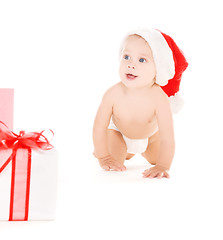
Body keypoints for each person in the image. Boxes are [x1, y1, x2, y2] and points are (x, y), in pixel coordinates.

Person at [93, 29, 188, 178]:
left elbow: (167, 136)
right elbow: (99, 127)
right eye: (126, 56)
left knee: (156, 159)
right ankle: (123, 150)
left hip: (150, 137)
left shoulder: (159, 98)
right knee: (112, 159)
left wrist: (163, 165)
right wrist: (103, 155)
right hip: (119, 134)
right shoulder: (112, 94)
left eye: (142, 60)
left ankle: (137, 151)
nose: (131, 64)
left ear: (158, 67)